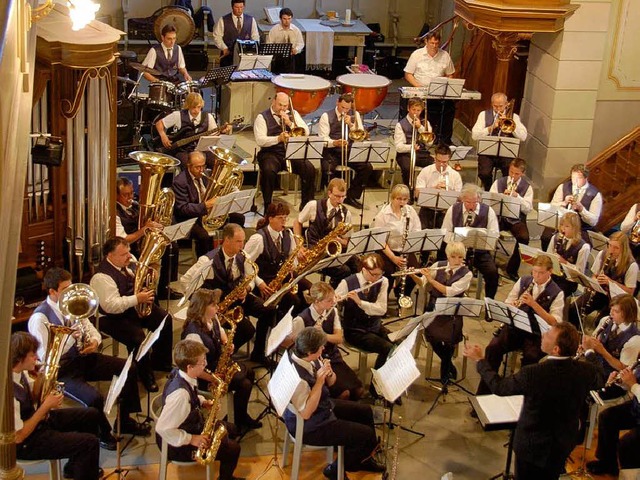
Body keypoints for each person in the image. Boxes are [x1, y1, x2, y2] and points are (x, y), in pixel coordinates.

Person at [28, 268, 149, 448]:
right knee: (93, 398)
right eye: (65, 289)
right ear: (52, 291)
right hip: (61, 370)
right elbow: (46, 356)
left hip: (82, 358)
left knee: (128, 368)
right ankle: (102, 434)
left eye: (71, 287)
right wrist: (71, 338)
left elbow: (89, 326)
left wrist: (94, 340)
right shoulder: (40, 318)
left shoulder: (72, 305)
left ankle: (124, 421)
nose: (71, 293)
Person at [464, 322, 603, 480]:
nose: (543, 336)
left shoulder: (533, 373)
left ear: (556, 349)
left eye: (548, 335)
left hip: (532, 446)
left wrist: (480, 361)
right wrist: (590, 351)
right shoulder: (584, 371)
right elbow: (601, 376)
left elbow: (500, 387)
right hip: (562, 443)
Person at [284, 328, 385, 479]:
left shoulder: (307, 357)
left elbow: (331, 383)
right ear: (309, 352)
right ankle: (335, 469)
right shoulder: (298, 378)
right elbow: (305, 413)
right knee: (366, 435)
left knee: (365, 411)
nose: (323, 349)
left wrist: (329, 373)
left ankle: (364, 458)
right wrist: (319, 382)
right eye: (320, 347)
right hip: (311, 426)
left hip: (322, 407)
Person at [179, 223, 276, 365]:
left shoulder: (243, 256)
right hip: (219, 305)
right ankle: (222, 358)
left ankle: (258, 353)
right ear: (226, 240)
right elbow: (185, 281)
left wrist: (247, 289)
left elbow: (252, 277)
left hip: (239, 298)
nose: (242, 245)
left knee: (269, 309)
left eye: (243, 241)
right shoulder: (207, 261)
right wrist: (202, 304)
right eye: (238, 241)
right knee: (247, 330)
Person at [11, 331, 102, 480]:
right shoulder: (8, 393)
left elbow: (32, 397)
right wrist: (45, 407)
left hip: (37, 420)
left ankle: (76, 467)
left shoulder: (20, 372)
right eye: (32, 354)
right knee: (89, 444)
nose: (36, 357)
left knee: (91, 414)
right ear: (20, 358)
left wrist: (42, 379)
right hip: (26, 443)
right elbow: (18, 436)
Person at [90, 237, 174, 393]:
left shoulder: (128, 263)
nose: (129, 257)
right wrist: (137, 299)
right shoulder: (101, 278)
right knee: (138, 339)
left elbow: (136, 282)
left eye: (128, 252)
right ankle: (144, 375)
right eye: (123, 254)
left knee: (164, 319)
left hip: (131, 307)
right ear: (110, 256)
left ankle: (161, 362)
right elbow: (111, 306)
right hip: (111, 318)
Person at [156, 339, 245, 480]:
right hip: (177, 446)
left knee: (233, 429)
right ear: (190, 367)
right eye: (202, 362)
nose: (206, 364)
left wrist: (202, 402)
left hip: (189, 426)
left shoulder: (182, 374)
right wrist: (192, 439)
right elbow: (162, 429)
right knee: (234, 449)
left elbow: (191, 395)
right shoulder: (180, 396)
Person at [476, 255, 565, 396]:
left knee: (531, 358)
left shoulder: (557, 293)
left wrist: (534, 305)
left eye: (541, 273)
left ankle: (520, 397)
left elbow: (554, 322)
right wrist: (512, 306)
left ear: (550, 272)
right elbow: (508, 301)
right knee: (493, 348)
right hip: (515, 327)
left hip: (536, 335)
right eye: (534, 271)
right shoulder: (524, 281)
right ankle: (484, 393)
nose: (536, 276)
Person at [181, 289, 262, 434]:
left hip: (216, 364)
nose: (218, 308)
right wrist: (215, 379)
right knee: (245, 384)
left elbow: (222, 335)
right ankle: (238, 420)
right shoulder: (193, 335)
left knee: (249, 373)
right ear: (202, 308)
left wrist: (227, 344)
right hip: (205, 376)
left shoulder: (212, 318)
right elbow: (194, 369)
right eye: (214, 305)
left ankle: (239, 416)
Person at [288, 282, 364, 400]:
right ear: (317, 301)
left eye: (333, 298)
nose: (333, 302)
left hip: (333, 357)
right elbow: (298, 348)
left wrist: (323, 335)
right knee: (344, 394)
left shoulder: (332, 311)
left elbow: (339, 338)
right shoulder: (301, 320)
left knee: (358, 390)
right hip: (315, 361)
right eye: (329, 300)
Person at [335, 253, 395, 400]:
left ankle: (387, 383)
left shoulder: (383, 281)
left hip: (374, 326)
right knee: (387, 348)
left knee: (397, 344)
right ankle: (376, 389)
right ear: (364, 269)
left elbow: (381, 309)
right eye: (373, 274)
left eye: (379, 274)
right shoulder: (347, 283)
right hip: (355, 330)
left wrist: (360, 303)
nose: (376, 278)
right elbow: (333, 304)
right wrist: (339, 300)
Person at [115, 177, 178, 300]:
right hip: (130, 249)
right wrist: (144, 229)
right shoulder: (115, 214)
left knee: (171, 247)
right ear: (116, 195)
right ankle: (148, 294)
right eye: (125, 195)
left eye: (131, 193)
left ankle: (164, 288)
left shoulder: (135, 205)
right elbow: (124, 240)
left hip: (142, 243)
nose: (130, 198)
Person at [172, 151, 244, 258]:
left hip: (207, 214)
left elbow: (217, 193)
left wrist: (229, 192)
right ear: (189, 166)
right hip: (190, 219)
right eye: (197, 167)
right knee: (204, 236)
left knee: (239, 218)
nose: (201, 170)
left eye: (203, 166)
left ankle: (229, 253)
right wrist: (205, 205)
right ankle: (205, 264)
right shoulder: (180, 182)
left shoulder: (206, 174)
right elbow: (183, 208)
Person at [244, 202, 310, 317]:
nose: (284, 221)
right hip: (265, 281)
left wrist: (293, 265)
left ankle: (297, 322)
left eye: (285, 218)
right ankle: (277, 324)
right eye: (280, 218)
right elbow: (245, 263)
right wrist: (259, 283)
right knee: (293, 300)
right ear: (270, 219)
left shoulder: (288, 234)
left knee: (310, 290)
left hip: (282, 275)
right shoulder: (258, 239)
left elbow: (292, 257)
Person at [418, 241, 472, 384]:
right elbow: (422, 283)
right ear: (448, 256)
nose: (457, 261)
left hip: (452, 313)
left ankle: (445, 375)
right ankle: (448, 365)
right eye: (453, 257)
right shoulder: (438, 265)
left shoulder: (467, 274)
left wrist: (431, 279)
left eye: (460, 257)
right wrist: (414, 274)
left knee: (449, 342)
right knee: (431, 336)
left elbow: (449, 291)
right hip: (435, 309)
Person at [255, 92, 314, 211]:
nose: (282, 108)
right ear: (273, 102)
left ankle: (307, 205)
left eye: (285, 106)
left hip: (290, 152)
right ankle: (268, 206)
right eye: (280, 105)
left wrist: (290, 123)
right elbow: (260, 140)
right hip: (270, 153)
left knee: (309, 168)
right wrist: (278, 138)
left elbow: (305, 132)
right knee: (268, 171)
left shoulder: (293, 114)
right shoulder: (262, 117)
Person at [293, 178, 355, 288]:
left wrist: (339, 240)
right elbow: (297, 222)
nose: (340, 200)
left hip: (332, 251)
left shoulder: (346, 213)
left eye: (343, 197)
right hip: (315, 252)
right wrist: (299, 246)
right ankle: (332, 292)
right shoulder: (313, 205)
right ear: (329, 193)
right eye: (337, 196)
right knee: (344, 271)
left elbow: (347, 241)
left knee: (356, 264)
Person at [568, 232, 638, 329]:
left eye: (616, 248)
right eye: (610, 245)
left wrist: (610, 282)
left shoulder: (631, 265)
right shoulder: (602, 254)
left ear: (624, 248)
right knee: (573, 309)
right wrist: (592, 283)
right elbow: (594, 276)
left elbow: (630, 292)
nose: (611, 250)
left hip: (617, 299)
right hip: (600, 292)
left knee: (601, 323)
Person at [441, 183, 500, 299]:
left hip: (479, 252)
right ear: (462, 199)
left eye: (475, 202)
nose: (471, 206)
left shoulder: (488, 211)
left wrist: (481, 237)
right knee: (444, 271)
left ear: (479, 199)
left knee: (493, 273)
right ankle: (445, 299)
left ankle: (489, 303)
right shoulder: (453, 209)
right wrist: (458, 240)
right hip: (456, 252)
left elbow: (495, 234)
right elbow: (445, 232)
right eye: (468, 202)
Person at [318, 93, 372, 209]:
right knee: (328, 169)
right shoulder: (326, 116)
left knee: (367, 167)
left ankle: (351, 196)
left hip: (349, 150)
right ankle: (330, 199)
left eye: (347, 108)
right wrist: (335, 142)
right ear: (337, 102)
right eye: (343, 107)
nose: (345, 111)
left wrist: (351, 124)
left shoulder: (355, 114)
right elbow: (323, 139)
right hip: (331, 151)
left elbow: (361, 134)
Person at [586, 363, 640, 476]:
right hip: (637, 407)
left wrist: (633, 384)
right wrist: (622, 382)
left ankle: (630, 475)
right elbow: (633, 383)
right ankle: (607, 464)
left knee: (627, 444)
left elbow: (635, 385)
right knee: (607, 417)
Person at [403, 31, 455, 145]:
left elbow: (450, 74)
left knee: (450, 107)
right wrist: (419, 86)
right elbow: (408, 74)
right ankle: (419, 139)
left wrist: (446, 84)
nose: (434, 46)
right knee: (421, 109)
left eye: (436, 43)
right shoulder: (417, 54)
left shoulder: (445, 55)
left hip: (438, 92)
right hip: (421, 90)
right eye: (432, 43)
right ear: (426, 42)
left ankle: (444, 140)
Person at [372, 184, 421, 303]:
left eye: (405, 199)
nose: (402, 202)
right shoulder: (383, 215)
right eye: (398, 199)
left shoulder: (411, 211)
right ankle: (382, 301)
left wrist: (410, 247)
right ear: (392, 198)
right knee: (387, 274)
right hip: (387, 251)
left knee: (415, 273)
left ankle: (402, 294)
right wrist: (393, 258)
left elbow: (416, 231)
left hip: (406, 249)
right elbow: (380, 241)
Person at [155, 92, 231, 167]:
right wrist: (163, 135)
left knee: (216, 162)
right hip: (183, 150)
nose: (196, 110)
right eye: (193, 107)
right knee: (189, 164)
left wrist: (223, 132)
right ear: (188, 105)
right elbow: (159, 123)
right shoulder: (178, 115)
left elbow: (214, 136)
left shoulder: (208, 117)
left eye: (199, 107)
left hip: (202, 150)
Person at [472, 93, 528, 191]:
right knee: (484, 173)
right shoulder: (483, 115)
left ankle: (503, 190)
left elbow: (523, 137)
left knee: (509, 171)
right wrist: (491, 128)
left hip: (506, 153)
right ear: (491, 104)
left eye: (501, 106)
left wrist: (511, 126)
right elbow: (474, 135)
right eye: (495, 106)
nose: (498, 109)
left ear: (506, 104)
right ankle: (489, 189)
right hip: (487, 152)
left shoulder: (514, 117)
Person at [489, 158, 533, 281]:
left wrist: (517, 197)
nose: (513, 176)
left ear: (522, 173)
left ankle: (512, 269)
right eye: (511, 172)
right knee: (487, 231)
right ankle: (485, 263)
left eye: (517, 174)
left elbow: (528, 209)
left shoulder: (527, 188)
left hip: (516, 219)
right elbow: (490, 201)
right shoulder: (499, 183)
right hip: (499, 217)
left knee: (524, 238)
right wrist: (502, 197)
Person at [540, 163, 602, 250]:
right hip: (561, 223)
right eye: (573, 178)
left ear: (586, 178)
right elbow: (552, 207)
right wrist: (564, 203)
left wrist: (581, 209)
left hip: (581, 228)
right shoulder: (563, 187)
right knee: (546, 237)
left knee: (582, 246)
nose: (575, 181)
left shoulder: (595, 194)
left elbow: (593, 221)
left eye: (579, 178)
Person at [582, 294, 640, 379]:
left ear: (626, 313)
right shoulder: (606, 320)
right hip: (593, 364)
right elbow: (594, 339)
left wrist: (603, 352)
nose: (611, 313)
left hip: (609, 376)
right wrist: (587, 346)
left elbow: (624, 368)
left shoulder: (635, 339)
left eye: (616, 311)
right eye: (611, 309)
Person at [415, 144, 462, 229]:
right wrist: (434, 190)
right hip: (427, 209)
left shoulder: (455, 175)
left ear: (449, 160)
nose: (441, 164)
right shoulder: (425, 171)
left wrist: (448, 193)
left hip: (446, 211)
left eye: (444, 162)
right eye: (438, 161)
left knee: (447, 236)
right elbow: (417, 194)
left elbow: (459, 199)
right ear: (434, 158)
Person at [546, 211, 590, 298]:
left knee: (553, 294)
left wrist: (565, 262)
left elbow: (579, 272)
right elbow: (547, 257)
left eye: (567, 226)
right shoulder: (555, 238)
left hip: (568, 281)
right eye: (562, 225)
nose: (563, 229)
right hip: (553, 274)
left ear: (575, 228)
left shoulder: (583, 247)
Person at [394, 97, 434, 189]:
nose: (415, 112)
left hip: (421, 153)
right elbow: (398, 147)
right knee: (407, 168)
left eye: (418, 110)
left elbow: (429, 143)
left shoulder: (425, 123)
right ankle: (409, 194)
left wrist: (420, 127)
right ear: (408, 108)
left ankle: (426, 192)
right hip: (405, 154)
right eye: (413, 110)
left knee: (434, 166)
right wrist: (411, 147)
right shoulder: (400, 125)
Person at [212, 0, 260, 68]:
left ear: (244, 6)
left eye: (241, 7)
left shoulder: (251, 20)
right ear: (232, 7)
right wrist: (224, 48)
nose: (239, 10)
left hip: (245, 57)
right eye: (236, 7)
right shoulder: (223, 20)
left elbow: (255, 37)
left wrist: (253, 48)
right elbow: (217, 37)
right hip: (228, 57)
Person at [266, 7, 304, 74]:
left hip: (291, 58)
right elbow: (268, 44)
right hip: (278, 59)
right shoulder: (274, 30)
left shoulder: (296, 30)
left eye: (289, 19)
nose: (287, 21)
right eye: (284, 19)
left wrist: (296, 49)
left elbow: (301, 43)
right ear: (280, 19)